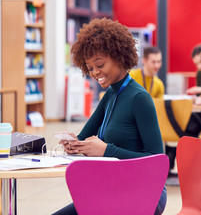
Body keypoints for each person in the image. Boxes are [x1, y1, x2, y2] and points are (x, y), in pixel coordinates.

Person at [52, 18, 166, 215]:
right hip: (114, 188)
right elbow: (83, 136)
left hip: (147, 194)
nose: (95, 73)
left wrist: (107, 151)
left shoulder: (139, 98)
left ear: (119, 57)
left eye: (100, 64)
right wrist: (74, 143)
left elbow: (157, 163)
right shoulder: (110, 95)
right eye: (90, 68)